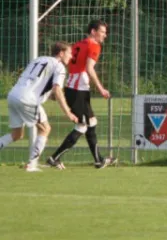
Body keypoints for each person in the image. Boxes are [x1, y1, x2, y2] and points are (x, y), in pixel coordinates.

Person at [0, 42, 78, 172]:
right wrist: (68, 112)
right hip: (28, 99)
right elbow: (57, 90)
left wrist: (54, 96)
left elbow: (40, 84)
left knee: (17, 134)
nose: (71, 57)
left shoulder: (39, 59)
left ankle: (32, 163)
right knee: (45, 128)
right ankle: (32, 164)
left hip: (13, 95)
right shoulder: (59, 66)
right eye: (69, 53)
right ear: (61, 53)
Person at [47, 20, 115, 169]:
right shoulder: (94, 45)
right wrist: (101, 89)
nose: (105, 35)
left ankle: (98, 160)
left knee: (92, 122)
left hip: (75, 88)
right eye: (102, 32)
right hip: (78, 91)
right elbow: (89, 68)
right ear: (93, 31)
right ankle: (54, 157)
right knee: (83, 126)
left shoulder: (78, 44)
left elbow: (70, 66)